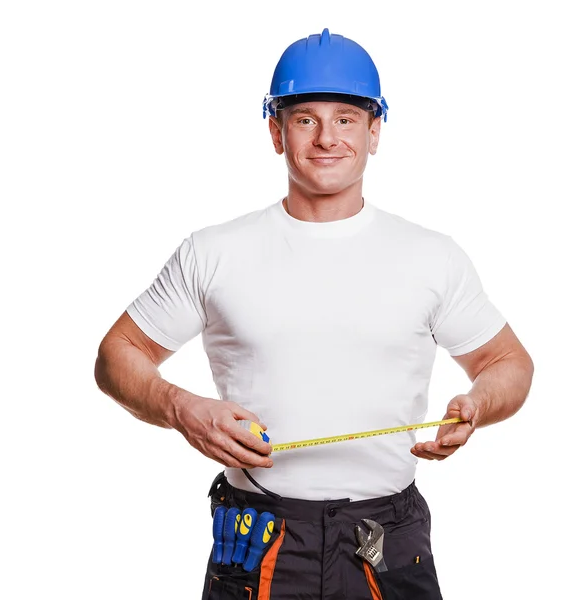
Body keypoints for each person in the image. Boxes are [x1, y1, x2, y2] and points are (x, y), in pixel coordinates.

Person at [94, 28, 534, 600]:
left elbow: (508, 363)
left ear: (375, 131)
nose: (327, 137)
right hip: (259, 541)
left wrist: (478, 404)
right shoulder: (213, 252)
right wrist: (182, 408)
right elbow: (116, 355)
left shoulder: (432, 256)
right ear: (276, 132)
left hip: (386, 540)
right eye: (305, 119)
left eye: (346, 118)